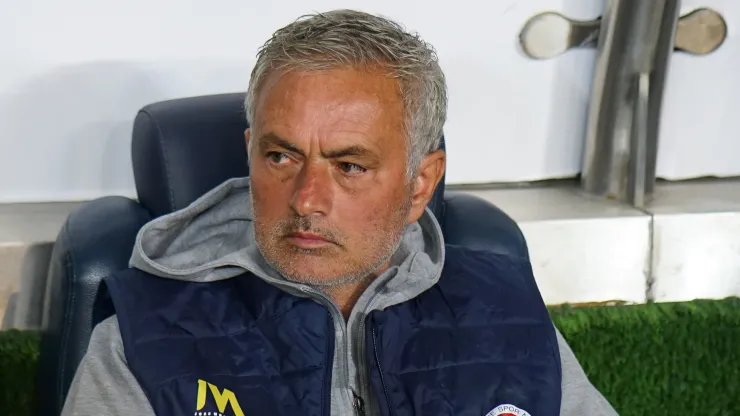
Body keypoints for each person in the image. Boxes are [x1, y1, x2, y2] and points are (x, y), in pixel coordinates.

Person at [61, 9, 618, 416]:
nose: (306, 199)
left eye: (349, 166)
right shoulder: (140, 339)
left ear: (420, 184)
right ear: (251, 153)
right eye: (280, 157)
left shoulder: (509, 314)